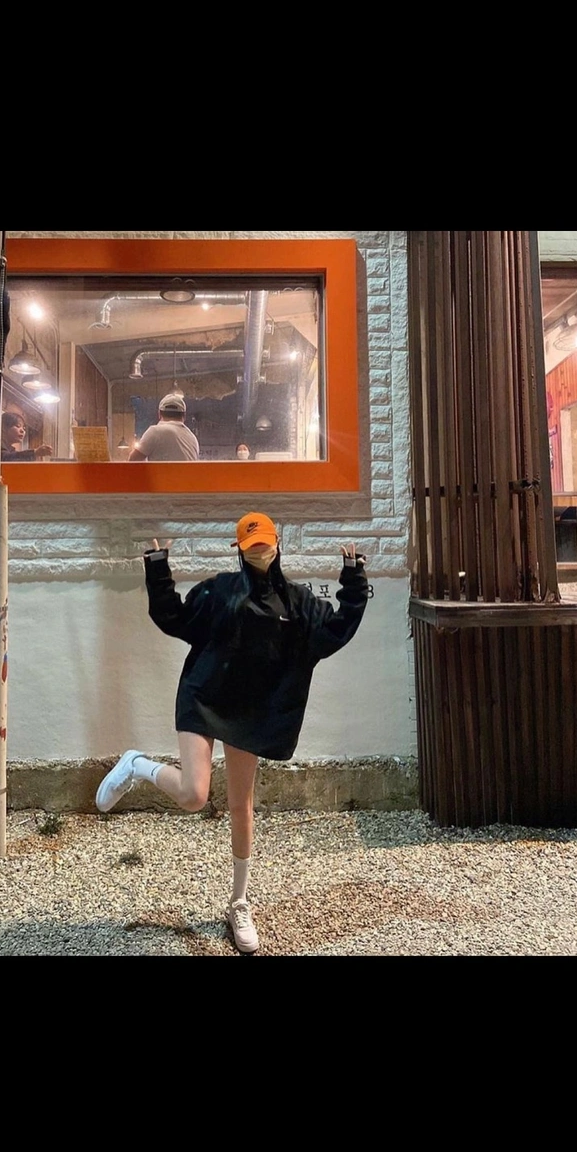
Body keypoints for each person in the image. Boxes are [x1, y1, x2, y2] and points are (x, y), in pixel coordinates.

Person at [95, 511, 369, 954]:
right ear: (239, 550)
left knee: (242, 806)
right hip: (204, 697)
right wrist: (158, 568)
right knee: (193, 795)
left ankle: (239, 903)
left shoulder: (298, 603)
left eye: (265, 543)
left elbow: (335, 630)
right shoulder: (219, 591)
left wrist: (354, 581)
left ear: (277, 544)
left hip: (250, 710)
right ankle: (137, 766)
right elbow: (174, 617)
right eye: (251, 545)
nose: (260, 551)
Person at [129, 392, 199, 462]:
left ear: (159, 414)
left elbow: (132, 461)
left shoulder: (156, 432)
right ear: (184, 416)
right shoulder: (192, 438)